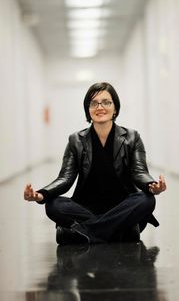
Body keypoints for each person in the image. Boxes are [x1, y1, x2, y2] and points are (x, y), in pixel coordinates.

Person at [24, 82, 167, 245]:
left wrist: (151, 185)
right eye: (94, 103)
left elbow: (139, 171)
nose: (100, 107)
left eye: (106, 102)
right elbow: (65, 178)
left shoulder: (132, 137)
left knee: (146, 200)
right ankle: (118, 233)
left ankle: (82, 234)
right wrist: (42, 194)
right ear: (88, 109)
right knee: (53, 204)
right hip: (86, 208)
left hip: (122, 208)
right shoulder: (75, 140)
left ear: (115, 108)